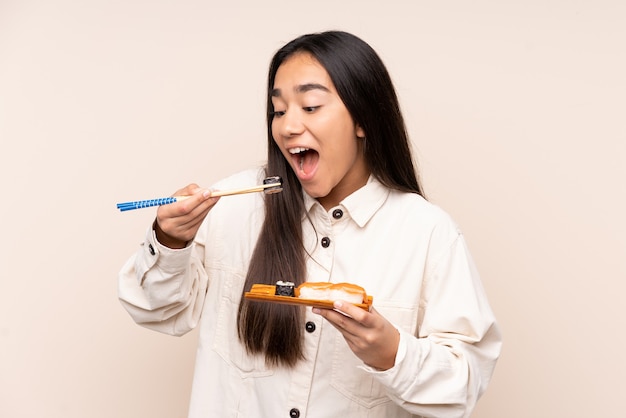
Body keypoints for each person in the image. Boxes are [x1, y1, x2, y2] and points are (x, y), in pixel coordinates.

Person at [118, 30, 501, 418]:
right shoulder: (232, 204)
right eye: (279, 110)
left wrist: (392, 353)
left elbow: (463, 384)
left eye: (311, 106)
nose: (287, 127)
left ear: (363, 119)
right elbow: (157, 310)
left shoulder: (427, 232)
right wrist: (170, 240)